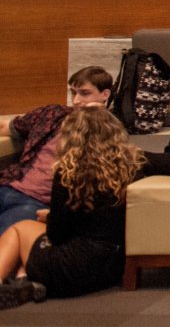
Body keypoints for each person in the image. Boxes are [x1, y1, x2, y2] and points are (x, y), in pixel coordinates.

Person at [0, 108, 170, 309]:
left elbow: (57, 235)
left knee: (21, 228)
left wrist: (49, 218)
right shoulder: (132, 163)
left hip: (70, 270)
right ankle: (24, 283)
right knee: (33, 237)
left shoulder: (68, 172)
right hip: (110, 268)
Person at [0, 69, 112, 235]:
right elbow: (6, 127)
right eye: (73, 93)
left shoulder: (109, 129)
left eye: (85, 94)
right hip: (8, 184)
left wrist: (97, 116)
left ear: (104, 94)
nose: (76, 101)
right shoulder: (53, 113)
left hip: (35, 201)